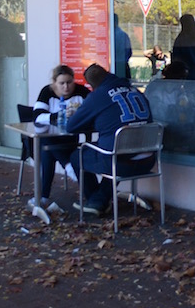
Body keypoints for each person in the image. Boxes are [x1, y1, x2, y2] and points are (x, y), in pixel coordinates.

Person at [66, 63, 154, 216]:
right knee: (115, 150)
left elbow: (71, 127)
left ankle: (96, 200)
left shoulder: (98, 96)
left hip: (120, 164)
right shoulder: (136, 91)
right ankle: (99, 198)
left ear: (92, 85)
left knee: (77, 155)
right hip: (148, 160)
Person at [28, 65, 90, 211]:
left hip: (71, 140)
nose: (66, 87)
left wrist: (78, 114)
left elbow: (91, 111)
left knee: (47, 149)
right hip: (51, 138)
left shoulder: (82, 91)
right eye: (61, 83)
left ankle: (43, 197)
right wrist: (59, 116)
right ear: (54, 83)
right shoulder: (47, 92)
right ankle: (69, 167)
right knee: (46, 145)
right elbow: (37, 117)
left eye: (69, 82)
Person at [113, 14, 133, 81]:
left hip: (118, 65)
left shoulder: (111, 35)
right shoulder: (123, 35)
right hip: (122, 65)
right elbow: (129, 51)